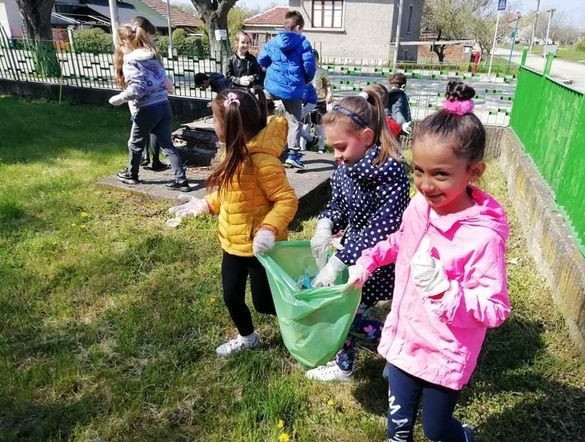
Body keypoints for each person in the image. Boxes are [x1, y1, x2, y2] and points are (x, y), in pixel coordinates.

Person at [347, 81, 511, 442]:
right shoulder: (421, 206)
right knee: (398, 428)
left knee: (437, 431)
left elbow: (496, 309)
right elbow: (401, 241)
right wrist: (367, 262)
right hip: (406, 339)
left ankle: (462, 436)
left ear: (474, 172)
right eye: (418, 170)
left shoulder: (481, 237)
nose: (425, 184)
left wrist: (447, 293)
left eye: (440, 174)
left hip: (445, 354)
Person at [167, 88, 298, 356]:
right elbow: (230, 193)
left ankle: (302, 322)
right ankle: (248, 338)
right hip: (232, 243)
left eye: (213, 119)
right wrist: (205, 204)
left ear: (227, 125)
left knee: (265, 304)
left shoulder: (263, 162)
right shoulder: (233, 153)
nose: (212, 124)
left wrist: (269, 229)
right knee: (231, 297)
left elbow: (287, 200)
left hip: (261, 249)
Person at [304, 89, 410, 382]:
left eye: (340, 147)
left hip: (384, 258)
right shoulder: (345, 167)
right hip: (355, 252)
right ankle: (345, 365)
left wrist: (340, 260)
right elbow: (338, 203)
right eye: (332, 148)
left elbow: (383, 228)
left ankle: (398, 350)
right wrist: (325, 223)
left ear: (365, 136)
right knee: (347, 309)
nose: (336, 155)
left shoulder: (390, 171)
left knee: (346, 316)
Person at [109, 23, 190, 191]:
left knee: (135, 143)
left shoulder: (131, 61)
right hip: (163, 105)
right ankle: (181, 179)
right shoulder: (153, 56)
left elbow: (138, 89)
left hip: (146, 108)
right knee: (167, 144)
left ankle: (132, 175)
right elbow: (164, 81)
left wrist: (119, 99)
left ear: (125, 42)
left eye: (119, 44)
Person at [258, 10, 316, 170]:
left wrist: (270, 68)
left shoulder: (272, 41)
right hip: (292, 91)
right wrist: (306, 80)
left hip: (272, 87)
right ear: (297, 27)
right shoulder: (303, 43)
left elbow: (261, 60)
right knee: (294, 122)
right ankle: (293, 155)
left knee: (260, 108)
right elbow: (310, 67)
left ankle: (257, 144)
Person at [130, 16, 169, 172]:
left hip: (145, 100)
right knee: (141, 134)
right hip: (150, 100)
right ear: (145, 34)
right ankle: (141, 163)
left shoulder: (138, 53)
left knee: (143, 133)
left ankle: (145, 163)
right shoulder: (146, 54)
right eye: (152, 35)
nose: (153, 38)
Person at [311, 49, 332, 152]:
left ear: (318, 60)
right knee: (304, 125)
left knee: (319, 126)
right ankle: (303, 148)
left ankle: (321, 147)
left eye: (315, 59)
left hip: (320, 100)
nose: (313, 61)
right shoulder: (304, 70)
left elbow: (328, 85)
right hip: (306, 101)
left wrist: (329, 95)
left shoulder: (322, 72)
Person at [299, 82, 318, 151]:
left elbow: (304, 96)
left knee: (293, 123)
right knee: (294, 123)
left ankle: (310, 139)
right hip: (306, 103)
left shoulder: (303, 81)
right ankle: (311, 139)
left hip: (308, 103)